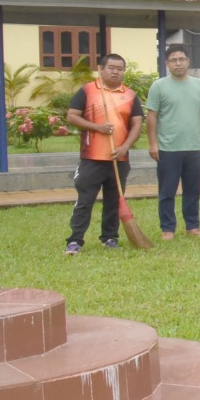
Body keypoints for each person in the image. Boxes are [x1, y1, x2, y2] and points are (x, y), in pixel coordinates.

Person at [62, 52, 143, 253]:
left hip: (119, 157)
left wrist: (125, 147)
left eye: (120, 69)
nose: (116, 72)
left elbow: (136, 125)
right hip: (92, 158)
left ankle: (109, 238)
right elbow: (72, 116)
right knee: (85, 200)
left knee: (114, 200)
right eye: (111, 68)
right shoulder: (88, 91)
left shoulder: (130, 95)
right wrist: (96, 127)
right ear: (101, 69)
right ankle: (75, 240)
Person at [146, 45, 200, 239]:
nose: (178, 63)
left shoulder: (199, 84)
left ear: (188, 61)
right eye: (174, 60)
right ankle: (168, 229)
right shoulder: (158, 86)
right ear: (167, 63)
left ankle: (192, 226)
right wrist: (153, 143)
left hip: (194, 147)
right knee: (167, 191)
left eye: (182, 59)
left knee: (193, 190)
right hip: (168, 148)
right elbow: (151, 116)